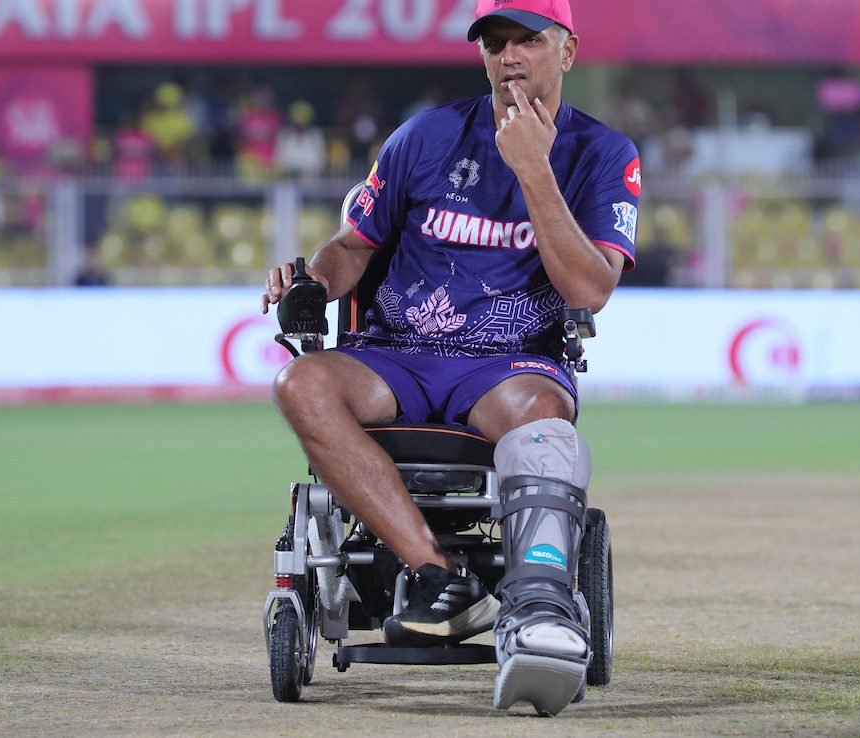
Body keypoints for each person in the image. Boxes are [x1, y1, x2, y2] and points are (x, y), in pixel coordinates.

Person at [261, 0, 639, 715]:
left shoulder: (604, 154)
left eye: (528, 40)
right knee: (300, 383)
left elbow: (589, 289)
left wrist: (533, 169)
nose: (509, 56)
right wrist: (313, 282)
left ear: (567, 51)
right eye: (494, 43)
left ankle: (540, 609)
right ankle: (438, 574)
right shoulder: (426, 135)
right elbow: (353, 246)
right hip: (396, 354)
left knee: (544, 423)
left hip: (508, 364)